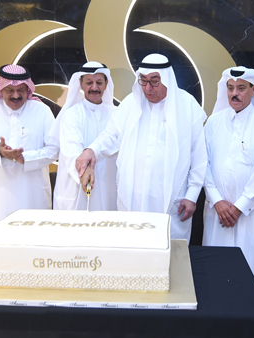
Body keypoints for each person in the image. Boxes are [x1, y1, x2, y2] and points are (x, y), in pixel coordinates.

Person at [75, 53, 207, 241]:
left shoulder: (187, 107)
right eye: (143, 81)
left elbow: (199, 155)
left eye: (154, 81)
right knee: (133, 249)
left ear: (167, 79)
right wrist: (91, 150)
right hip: (132, 197)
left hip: (170, 200)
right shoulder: (131, 103)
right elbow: (111, 136)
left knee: (168, 252)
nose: (147, 88)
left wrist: (192, 194)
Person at [202, 66, 254, 296]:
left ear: (253, 90)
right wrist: (217, 201)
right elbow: (201, 164)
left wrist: (238, 207)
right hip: (217, 214)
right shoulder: (214, 123)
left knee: (250, 277)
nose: (235, 93)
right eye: (231, 88)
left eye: (241, 88)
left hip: (250, 216)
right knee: (215, 274)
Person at [0, 64, 58, 231]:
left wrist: (25, 158)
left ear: (28, 89)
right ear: (1, 90)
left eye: (21, 90)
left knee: (32, 240)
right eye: (9, 90)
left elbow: (54, 149)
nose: (16, 95)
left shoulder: (41, 111)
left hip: (32, 193)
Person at [51, 61, 118, 211]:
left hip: (108, 187)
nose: (94, 87)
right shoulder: (71, 114)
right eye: (89, 82)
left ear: (106, 84)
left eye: (99, 82)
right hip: (76, 187)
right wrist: (83, 170)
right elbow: (72, 147)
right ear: (81, 84)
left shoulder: (116, 114)